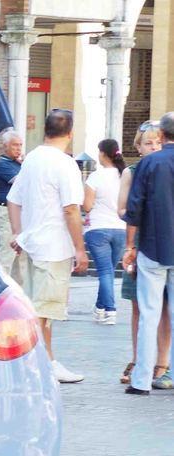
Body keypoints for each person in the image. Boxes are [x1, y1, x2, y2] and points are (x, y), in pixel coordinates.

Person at [7, 109, 88, 383]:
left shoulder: (31, 159)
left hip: (31, 245)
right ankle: (37, 368)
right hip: (53, 247)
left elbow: (13, 200)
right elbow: (71, 210)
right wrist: (80, 248)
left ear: (45, 130)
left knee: (36, 309)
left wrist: (19, 233)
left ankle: (47, 362)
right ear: (70, 133)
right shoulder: (65, 164)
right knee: (42, 312)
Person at [121, 112, 174, 395]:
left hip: (153, 246)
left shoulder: (149, 163)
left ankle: (141, 380)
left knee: (149, 315)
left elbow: (135, 208)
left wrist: (130, 246)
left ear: (162, 136)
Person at [83, 138, 126, 325]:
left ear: (102, 153)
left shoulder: (95, 177)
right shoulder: (125, 175)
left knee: (105, 271)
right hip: (121, 229)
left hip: (98, 229)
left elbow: (86, 205)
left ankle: (110, 310)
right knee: (108, 270)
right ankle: (100, 308)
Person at [0, 128, 23, 273]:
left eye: (20, 145)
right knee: (7, 255)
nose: (18, 149)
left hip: (20, 212)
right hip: (7, 213)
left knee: (20, 260)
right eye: (15, 145)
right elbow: (23, 183)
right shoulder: (2, 164)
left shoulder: (17, 164)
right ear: (5, 146)